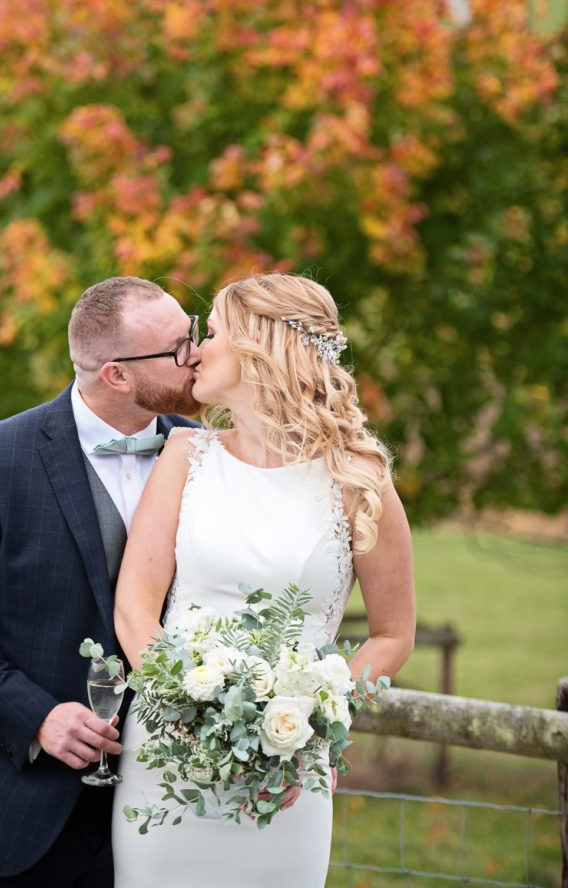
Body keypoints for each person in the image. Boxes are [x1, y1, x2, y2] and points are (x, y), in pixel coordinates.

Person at [113, 272, 416, 888]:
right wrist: (182, 709)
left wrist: (309, 720)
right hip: (168, 755)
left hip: (289, 770)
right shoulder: (185, 456)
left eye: (215, 332)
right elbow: (134, 608)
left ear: (259, 348)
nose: (196, 351)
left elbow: (393, 634)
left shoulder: (358, 480)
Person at [0, 277, 202, 887]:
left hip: (178, 806)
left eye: (193, 335)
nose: (197, 356)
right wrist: (38, 716)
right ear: (117, 375)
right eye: (177, 349)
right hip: (26, 806)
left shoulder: (209, 456)